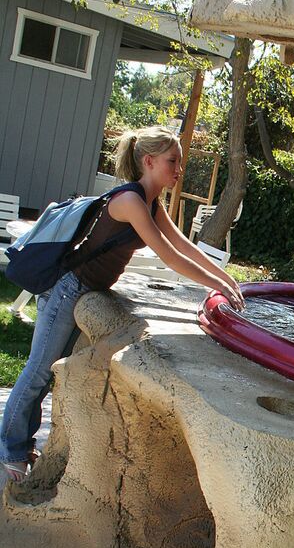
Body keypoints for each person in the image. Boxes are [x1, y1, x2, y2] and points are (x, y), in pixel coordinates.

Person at [1, 126, 245, 483]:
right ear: (149, 161)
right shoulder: (130, 201)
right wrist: (217, 282)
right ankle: (10, 451)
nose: (179, 169)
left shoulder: (151, 200)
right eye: (172, 161)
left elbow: (184, 246)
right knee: (38, 370)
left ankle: (21, 444)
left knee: (50, 371)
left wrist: (226, 280)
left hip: (82, 291)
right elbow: (168, 257)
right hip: (67, 289)